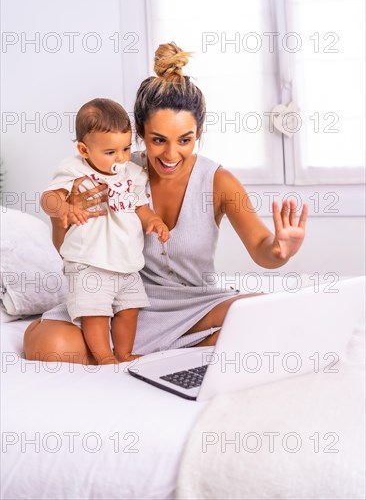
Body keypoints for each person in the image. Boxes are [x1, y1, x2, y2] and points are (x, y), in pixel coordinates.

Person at [24, 42, 308, 365]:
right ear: (141, 133)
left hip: (195, 305)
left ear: (199, 132)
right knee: (45, 342)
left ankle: (156, 351)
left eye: (184, 140)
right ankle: (153, 351)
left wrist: (279, 250)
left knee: (262, 313)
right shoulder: (111, 173)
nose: (171, 155)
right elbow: (66, 248)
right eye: (158, 140)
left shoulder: (219, 182)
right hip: (121, 304)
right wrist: (64, 216)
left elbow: (261, 247)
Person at [40, 98, 169, 364]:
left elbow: (141, 207)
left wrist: (153, 220)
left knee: (129, 310)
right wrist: (63, 207)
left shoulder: (133, 173)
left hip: (127, 262)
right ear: (84, 150)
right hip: (89, 261)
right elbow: (48, 198)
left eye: (126, 148)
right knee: (95, 311)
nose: (121, 157)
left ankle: (123, 353)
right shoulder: (75, 169)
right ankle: (104, 356)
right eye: (110, 152)